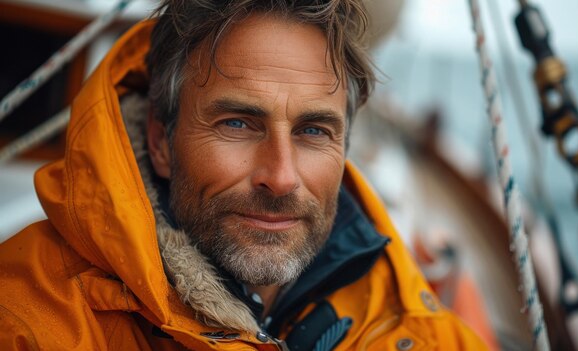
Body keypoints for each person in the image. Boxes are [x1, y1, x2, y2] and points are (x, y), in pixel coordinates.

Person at [0, 1, 487, 349]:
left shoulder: (425, 333)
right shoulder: (26, 322)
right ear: (159, 140)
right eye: (237, 123)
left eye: (314, 130)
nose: (281, 177)